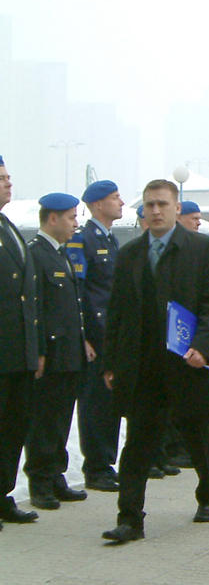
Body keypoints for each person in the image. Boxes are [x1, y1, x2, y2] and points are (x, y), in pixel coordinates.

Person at [100, 179, 209, 544]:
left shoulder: (201, 249)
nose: (155, 211)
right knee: (138, 441)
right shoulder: (130, 254)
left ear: (177, 208)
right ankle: (129, 519)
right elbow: (117, 312)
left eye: (162, 204)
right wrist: (111, 362)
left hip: (186, 361)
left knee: (196, 434)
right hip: (143, 364)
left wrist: (204, 347)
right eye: (149, 205)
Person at [24, 193, 91, 510]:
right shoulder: (36, 255)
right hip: (49, 355)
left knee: (62, 418)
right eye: (70, 218)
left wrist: (82, 342)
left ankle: (55, 474)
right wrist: (37, 351)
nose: (75, 224)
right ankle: (39, 481)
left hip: (68, 352)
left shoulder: (61, 254)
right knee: (44, 420)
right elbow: (35, 308)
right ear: (52, 219)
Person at [70, 179, 124, 492]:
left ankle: (106, 462)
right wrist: (85, 337)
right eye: (115, 198)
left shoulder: (111, 240)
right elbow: (80, 292)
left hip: (110, 334)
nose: (120, 203)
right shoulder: (84, 239)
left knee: (109, 401)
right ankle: (96, 466)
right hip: (94, 335)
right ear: (98, 204)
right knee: (94, 401)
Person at [0, 154, 43, 528]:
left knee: (13, 427)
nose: (8, 183)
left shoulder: (8, 226)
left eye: (9, 177)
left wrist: (34, 350)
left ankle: (4, 494)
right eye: (2, 178)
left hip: (18, 353)